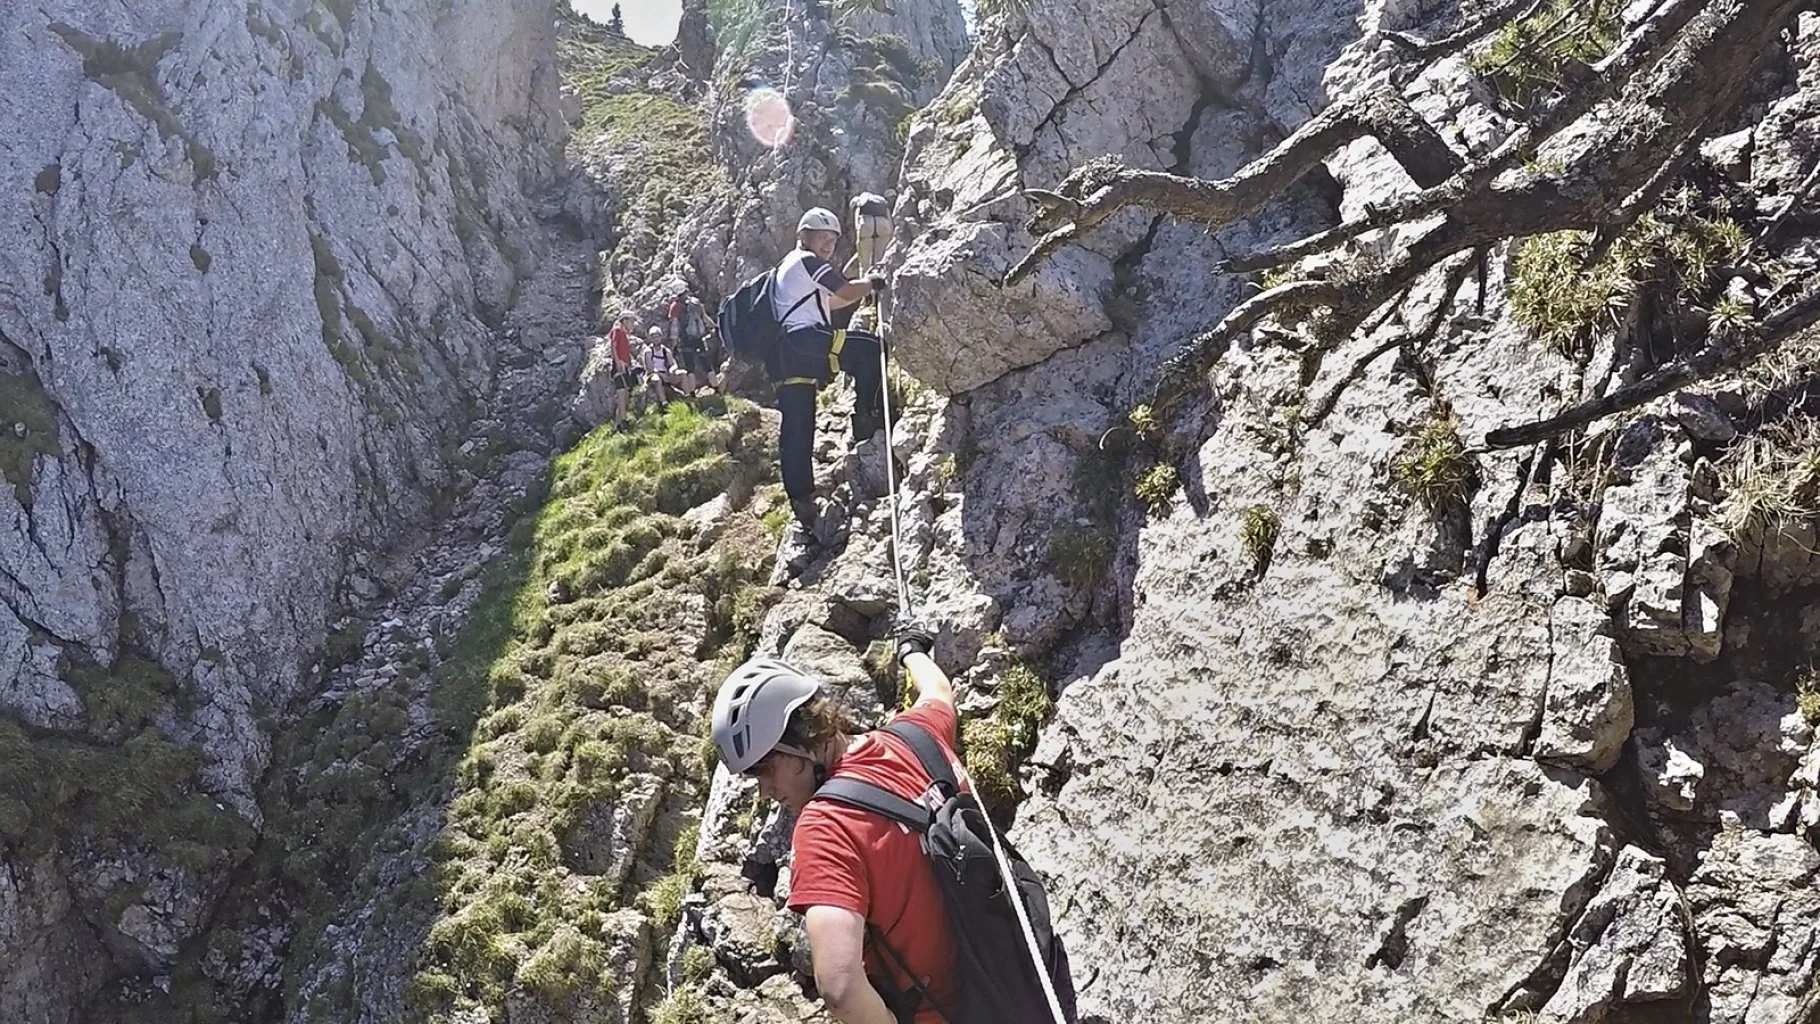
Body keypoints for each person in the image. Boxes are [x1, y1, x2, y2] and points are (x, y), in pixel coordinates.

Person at [710, 625, 958, 1024]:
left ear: (797, 746)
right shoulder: (914, 738)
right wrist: (912, 650)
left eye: (765, 771)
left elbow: (840, 988)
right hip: (1018, 974)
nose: (765, 791)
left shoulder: (825, 828)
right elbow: (938, 691)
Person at [772, 207, 888, 536]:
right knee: (869, 349)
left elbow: (831, 302)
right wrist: (872, 283)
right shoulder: (807, 262)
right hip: (806, 342)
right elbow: (844, 291)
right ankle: (868, 421)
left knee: (798, 424)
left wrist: (862, 288)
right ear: (804, 237)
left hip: (786, 355)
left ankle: (801, 500)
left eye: (833, 240)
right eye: (822, 237)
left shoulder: (788, 266)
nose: (827, 244)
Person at [668, 287, 713, 394]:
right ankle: (717, 389)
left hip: (686, 340)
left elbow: (675, 326)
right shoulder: (695, 303)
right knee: (707, 365)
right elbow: (705, 317)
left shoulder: (676, 306)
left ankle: (692, 393)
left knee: (690, 367)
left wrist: (674, 343)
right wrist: (714, 327)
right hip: (699, 338)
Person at [608, 311, 637, 430]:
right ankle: (624, 421)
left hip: (625, 366)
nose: (633, 324)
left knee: (625, 395)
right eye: (631, 321)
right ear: (624, 320)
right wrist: (618, 362)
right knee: (622, 393)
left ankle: (618, 424)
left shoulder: (624, 334)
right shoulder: (617, 330)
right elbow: (613, 346)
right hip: (620, 366)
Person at [643, 325, 675, 410]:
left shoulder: (666, 350)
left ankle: (688, 396)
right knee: (657, 379)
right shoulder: (648, 351)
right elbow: (650, 369)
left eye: (657, 336)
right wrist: (662, 375)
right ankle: (664, 402)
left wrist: (672, 371)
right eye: (653, 337)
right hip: (652, 375)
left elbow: (673, 364)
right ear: (650, 339)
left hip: (665, 374)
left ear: (661, 337)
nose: (656, 339)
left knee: (683, 374)